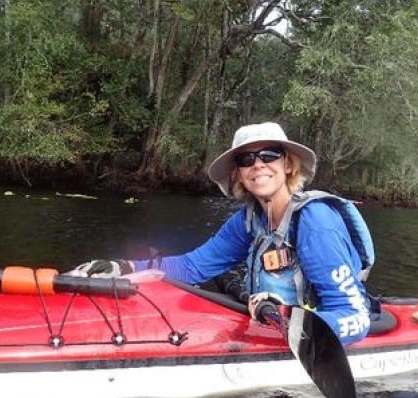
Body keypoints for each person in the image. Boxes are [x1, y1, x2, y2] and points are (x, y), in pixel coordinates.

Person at [67, 121, 376, 346]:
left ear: (288, 165)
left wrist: (288, 320)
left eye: (269, 155)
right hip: (268, 323)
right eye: (246, 159)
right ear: (238, 173)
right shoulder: (248, 220)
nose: (258, 165)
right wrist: (125, 268)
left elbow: (355, 318)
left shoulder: (315, 221)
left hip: (306, 328)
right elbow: (192, 267)